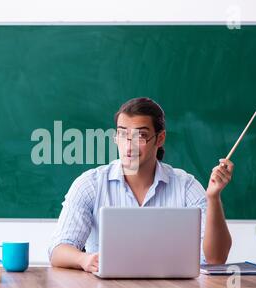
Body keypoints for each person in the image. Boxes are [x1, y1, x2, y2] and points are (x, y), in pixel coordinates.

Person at [48, 97, 233, 273]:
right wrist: (84, 259)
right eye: (122, 134)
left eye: (141, 136)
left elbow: (216, 259)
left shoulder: (186, 186)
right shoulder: (90, 184)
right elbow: (58, 250)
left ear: (160, 139)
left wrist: (213, 197)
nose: (129, 147)